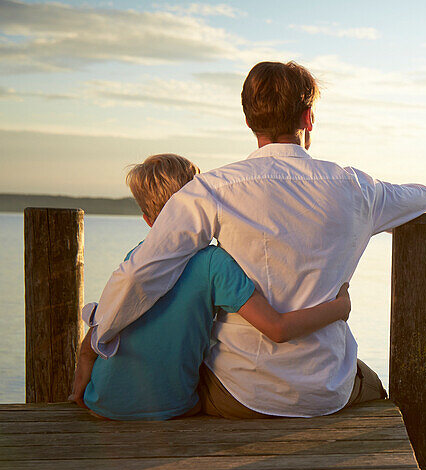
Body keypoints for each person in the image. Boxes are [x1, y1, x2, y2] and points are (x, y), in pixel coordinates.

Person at [78, 61, 426, 418]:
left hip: (238, 392)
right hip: (327, 388)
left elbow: (141, 275)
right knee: (376, 390)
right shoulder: (357, 189)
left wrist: (100, 337)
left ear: (249, 121)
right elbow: (424, 196)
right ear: (308, 117)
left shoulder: (212, 189)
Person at [70, 154, 353, 420]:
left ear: (147, 220)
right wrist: (339, 308)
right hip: (174, 407)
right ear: (201, 204)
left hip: (102, 403)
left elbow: (106, 322)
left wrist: (83, 368)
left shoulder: (136, 260)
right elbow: (277, 328)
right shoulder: (214, 263)